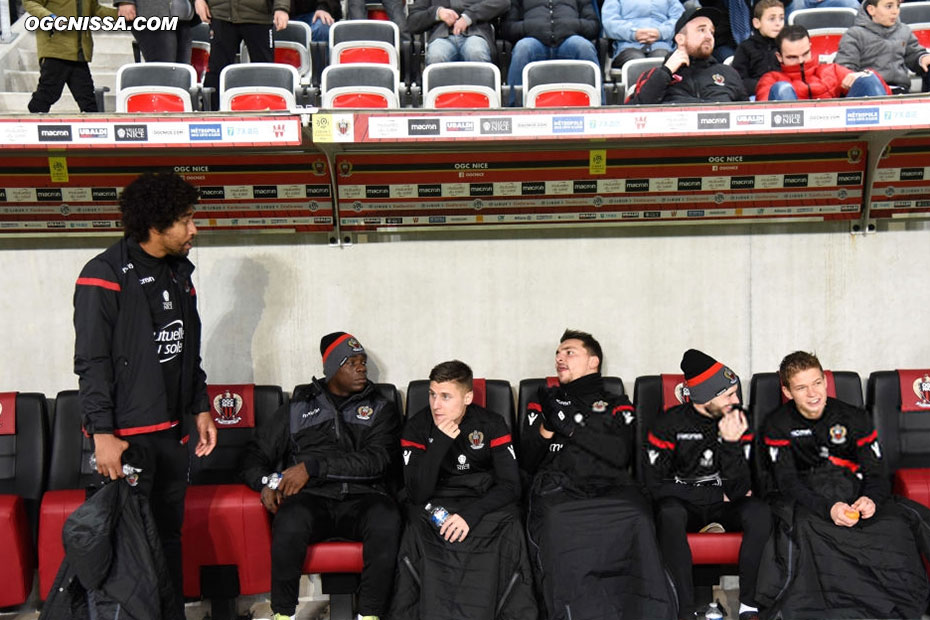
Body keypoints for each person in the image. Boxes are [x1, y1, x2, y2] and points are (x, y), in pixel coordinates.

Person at [73, 171, 217, 617]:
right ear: (157, 225)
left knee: (167, 536)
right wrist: (101, 434)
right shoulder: (103, 275)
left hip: (171, 435)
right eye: (187, 220)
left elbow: (187, 348)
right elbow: (91, 363)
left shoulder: (180, 274)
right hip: (125, 440)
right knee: (127, 549)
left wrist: (199, 406)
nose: (195, 229)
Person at [756, 351, 930, 618]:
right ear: (787, 391)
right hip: (808, 500)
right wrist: (829, 509)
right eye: (801, 387)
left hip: (854, 492)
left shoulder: (853, 417)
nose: (812, 393)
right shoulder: (777, 425)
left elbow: (877, 472)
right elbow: (787, 482)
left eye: (816, 382)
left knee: (899, 522)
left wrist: (871, 499)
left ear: (825, 380)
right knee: (805, 528)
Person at [240, 332, 402, 620]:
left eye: (362, 361)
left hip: (363, 498)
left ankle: (370, 614)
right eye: (351, 362)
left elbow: (377, 461)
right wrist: (269, 482)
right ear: (332, 370)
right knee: (289, 517)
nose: (361, 368)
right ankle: (283, 613)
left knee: (386, 517)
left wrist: (313, 467)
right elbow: (254, 455)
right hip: (313, 499)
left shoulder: (380, 408)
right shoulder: (298, 409)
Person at [521, 330, 675, 620]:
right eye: (558, 353)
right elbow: (527, 462)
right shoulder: (542, 400)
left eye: (569, 352)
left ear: (594, 361)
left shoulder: (618, 403)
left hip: (609, 487)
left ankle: (643, 610)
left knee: (638, 516)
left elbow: (619, 454)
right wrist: (547, 427)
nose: (559, 358)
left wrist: (571, 429)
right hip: (559, 490)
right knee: (556, 519)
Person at [389, 360, 537, 619]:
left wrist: (470, 516)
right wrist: (440, 444)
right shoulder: (417, 426)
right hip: (435, 500)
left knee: (512, 520)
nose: (436, 404)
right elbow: (416, 493)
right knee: (415, 521)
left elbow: (511, 485)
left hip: (481, 500)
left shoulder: (491, 423)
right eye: (433, 395)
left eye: (446, 396)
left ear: (467, 397)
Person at [645, 349, 771, 620]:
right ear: (704, 397)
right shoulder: (667, 425)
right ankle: (684, 609)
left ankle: (749, 605)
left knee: (759, 512)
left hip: (724, 506)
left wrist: (730, 444)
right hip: (686, 507)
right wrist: (714, 495)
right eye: (729, 395)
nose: (737, 401)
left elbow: (740, 490)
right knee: (668, 512)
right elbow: (654, 486)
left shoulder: (740, 422)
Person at [628, 7, 747, 104]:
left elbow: (748, 116)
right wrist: (666, 72)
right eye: (701, 30)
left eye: (711, 32)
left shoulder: (729, 73)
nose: (708, 36)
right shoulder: (655, 76)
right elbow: (632, 114)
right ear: (680, 39)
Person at [24, 0, 117, 112]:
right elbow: (30, 2)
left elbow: (95, 9)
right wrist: (51, 18)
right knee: (47, 94)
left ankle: (93, 127)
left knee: (88, 101)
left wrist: (120, 15)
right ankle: (27, 125)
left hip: (79, 53)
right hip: (56, 50)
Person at [501, 0, 600, 105]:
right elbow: (508, 28)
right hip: (534, 41)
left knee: (584, 47)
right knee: (522, 48)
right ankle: (514, 109)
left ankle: (599, 106)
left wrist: (569, 25)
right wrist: (532, 27)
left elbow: (593, 25)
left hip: (568, 40)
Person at [195, 0, 290, 109]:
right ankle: (209, 116)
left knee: (265, 70)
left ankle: (269, 111)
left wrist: (282, 8)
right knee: (216, 69)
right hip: (221, 14)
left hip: (259, 15)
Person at [757, 24, 888, 99]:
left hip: (837, 129)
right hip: (792, 133)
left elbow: (884, 92)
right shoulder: (770, 80)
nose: (801, 61)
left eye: (805, 54)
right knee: (782, 89)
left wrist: (862, 75)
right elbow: (761, 117)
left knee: (868, 79)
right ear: (779, 57)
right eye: (793, 57)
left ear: (810, 47)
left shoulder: (832, 70)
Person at [835, 0, 930, 94]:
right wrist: (858, 76)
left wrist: (922, 58)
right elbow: (844, 67)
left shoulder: (904, 30)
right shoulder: (855, 34)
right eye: (889, 6)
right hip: (868, 91)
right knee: (870, 82)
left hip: (899, 89)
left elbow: (914, 54)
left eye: (897, 6)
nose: (895, 11)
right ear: (871, 10)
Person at [407, 0, 509, 65]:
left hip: (476, 32)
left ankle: (481, 98)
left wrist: (469, 16)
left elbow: (503, 2)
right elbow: (412, 22)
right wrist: (437, 13)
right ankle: (439, 99)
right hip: (442, 35)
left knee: (475, 51)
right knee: (436, 55)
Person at [600, 0, 683, 72]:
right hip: (627, 47)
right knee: (636, 60)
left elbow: (680, 19)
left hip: (661, 44)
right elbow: (609, 22)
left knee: (662, 58)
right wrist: (633, 33)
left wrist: (661, 32)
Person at [115, 0, 195, 63]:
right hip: (150, 14)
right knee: (163, 67)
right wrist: (124, 1)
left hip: (183, 13)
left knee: (182, 72)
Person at [732, 0, 784, 95]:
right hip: (755, 96)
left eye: (781, 18)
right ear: (756, 23)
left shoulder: (785, 46)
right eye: (772, 19)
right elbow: (738, 80)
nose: (778, 23)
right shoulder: (745, 47)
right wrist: (764, 86)